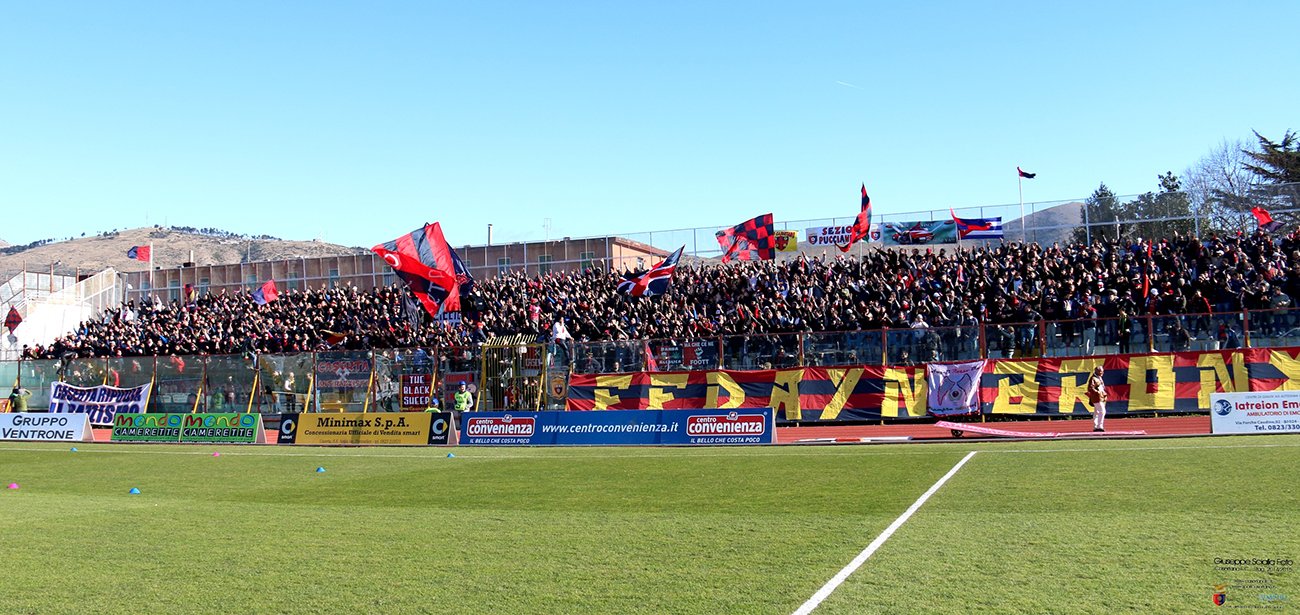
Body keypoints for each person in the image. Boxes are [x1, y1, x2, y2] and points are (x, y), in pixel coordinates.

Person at [1086, 366, 1106, 432]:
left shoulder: (1099, 378)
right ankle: (1099, 426)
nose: (1102, 372)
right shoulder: (1093, 378)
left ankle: (1096, 426)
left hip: (1100, 397)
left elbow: (1101, 387)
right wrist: (1098, 393)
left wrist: (1104, 394)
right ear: (1096, 371)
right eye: (1100, 371)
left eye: (1102, 371)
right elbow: (1090, 388)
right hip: (1096, 398)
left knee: (1097, 412)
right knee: (1102, 411)